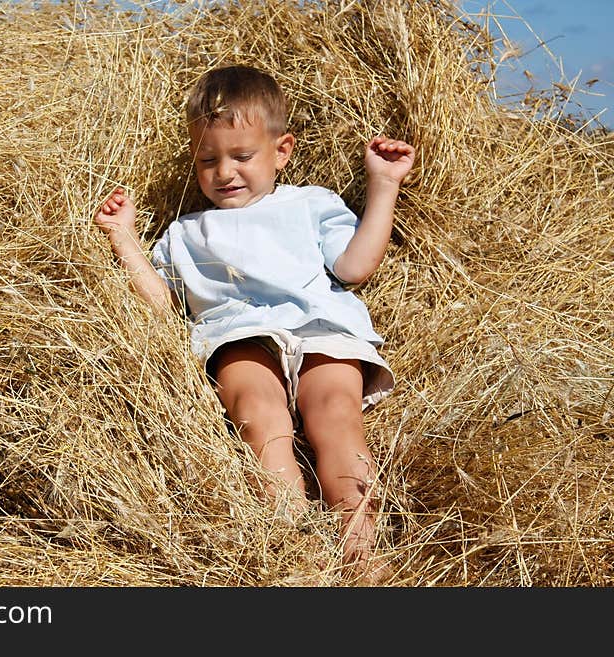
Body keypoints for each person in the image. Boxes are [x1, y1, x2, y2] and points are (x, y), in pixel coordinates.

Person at [94, 64, 415, 583]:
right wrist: (124, 238)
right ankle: (299, 551)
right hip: (238, 335)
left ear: (281, 150)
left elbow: (354, 268)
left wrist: (383, 185)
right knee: (259, 415)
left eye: (242, 156)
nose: (225, 173)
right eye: (208, 160)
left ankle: (363, 553)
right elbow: (160, 303)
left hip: (320, 328)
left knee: (335, 415)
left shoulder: (311, 204)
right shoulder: (185, 232)